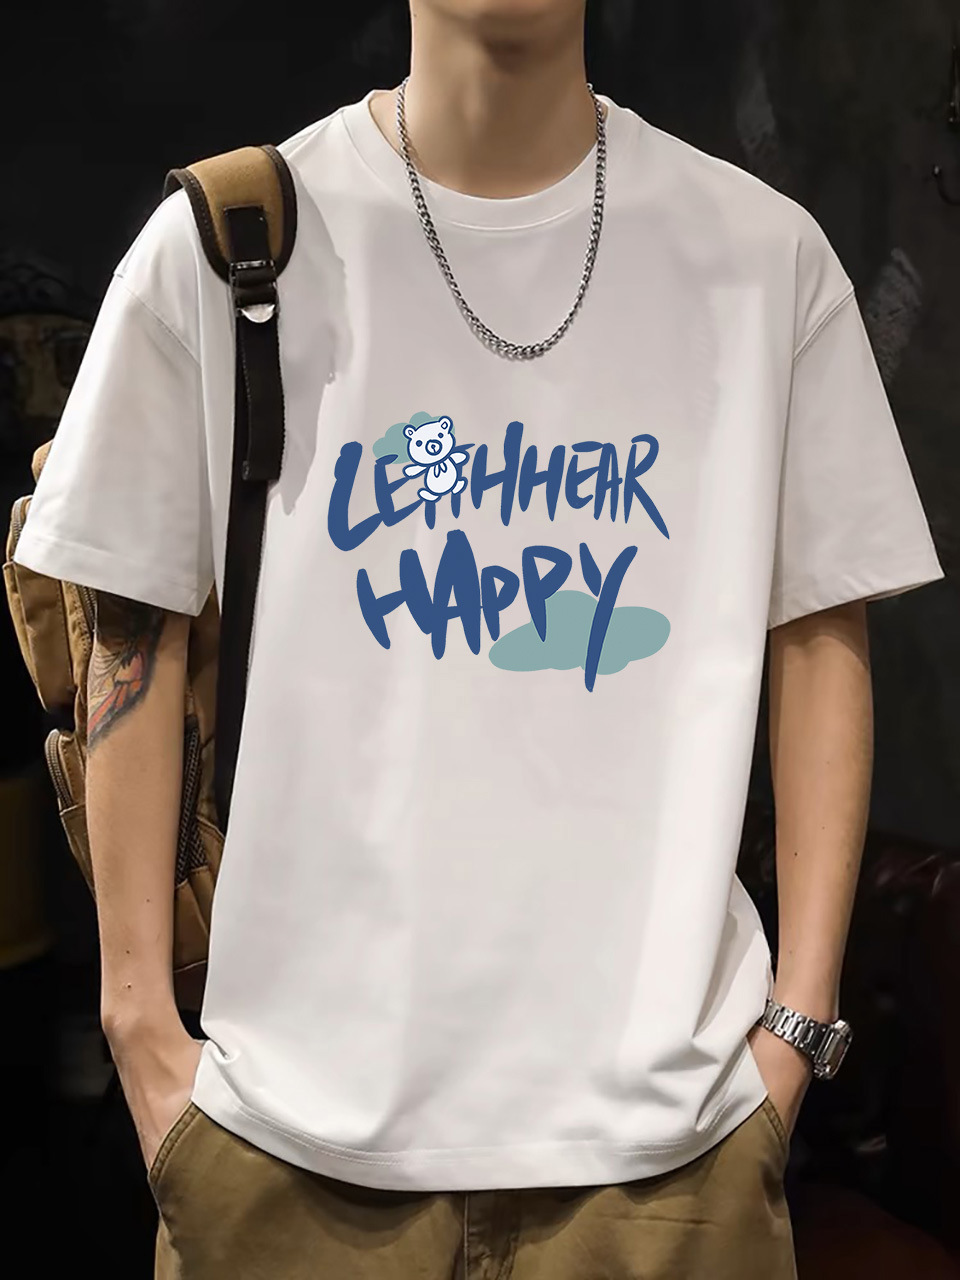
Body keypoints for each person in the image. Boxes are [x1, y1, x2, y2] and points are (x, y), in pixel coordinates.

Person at [12, 0, 945, 1276]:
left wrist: (799, 1022)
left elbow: (820, 629)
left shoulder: (760, 258)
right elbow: (130, 619)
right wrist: (139, 1028)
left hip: (673, 1156)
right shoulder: (226, 249)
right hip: (286, 1149)